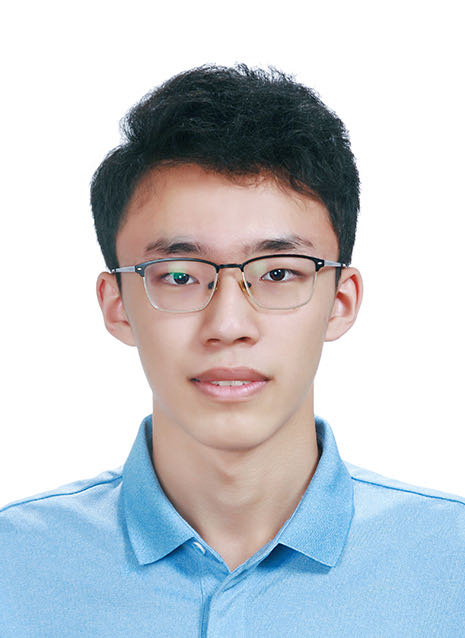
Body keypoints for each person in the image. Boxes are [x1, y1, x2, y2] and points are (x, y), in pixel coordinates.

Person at [0, 64, 463, 638]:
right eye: (178, 276)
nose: (228, 325)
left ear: (340, 302)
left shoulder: (451, 563)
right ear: (117, 305)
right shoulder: (13, 566)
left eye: (278, 273)